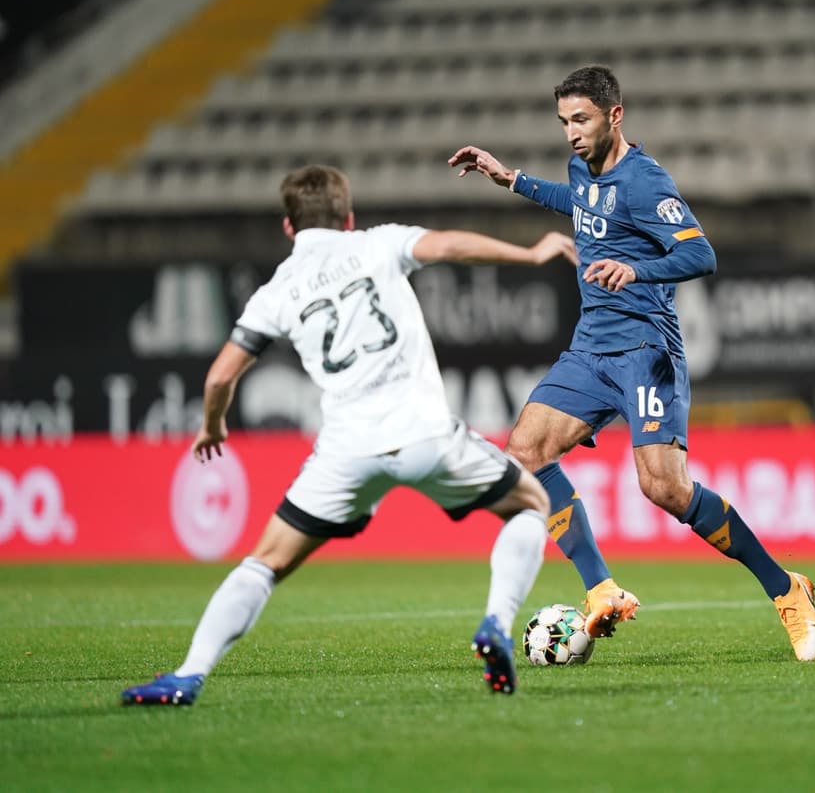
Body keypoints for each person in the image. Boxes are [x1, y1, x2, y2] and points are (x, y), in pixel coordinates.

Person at [121, 164, 579, 703]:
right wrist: (528, 253)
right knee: (529, 503)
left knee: (265, 562)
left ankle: (188, 676)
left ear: (289, 228)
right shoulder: (378, 245)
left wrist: (212, 423)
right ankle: (496, 625)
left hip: (346, 452)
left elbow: (220, 375)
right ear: (348, 216)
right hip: (425, 434)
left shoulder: (278, 290)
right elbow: (450, 245)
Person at [448, 65, 815, 660]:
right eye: (564, 122)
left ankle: (788, 590)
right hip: (590, 347)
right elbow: (579, 203)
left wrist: (637, 269)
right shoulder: (583, 166)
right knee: (525, 450)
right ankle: (601, 589)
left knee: (665, 490)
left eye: (582, 120)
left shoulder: (647, 182)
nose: (571, 134)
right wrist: (512, 179)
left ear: (614, 116)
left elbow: (702, 254)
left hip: (646, 350)